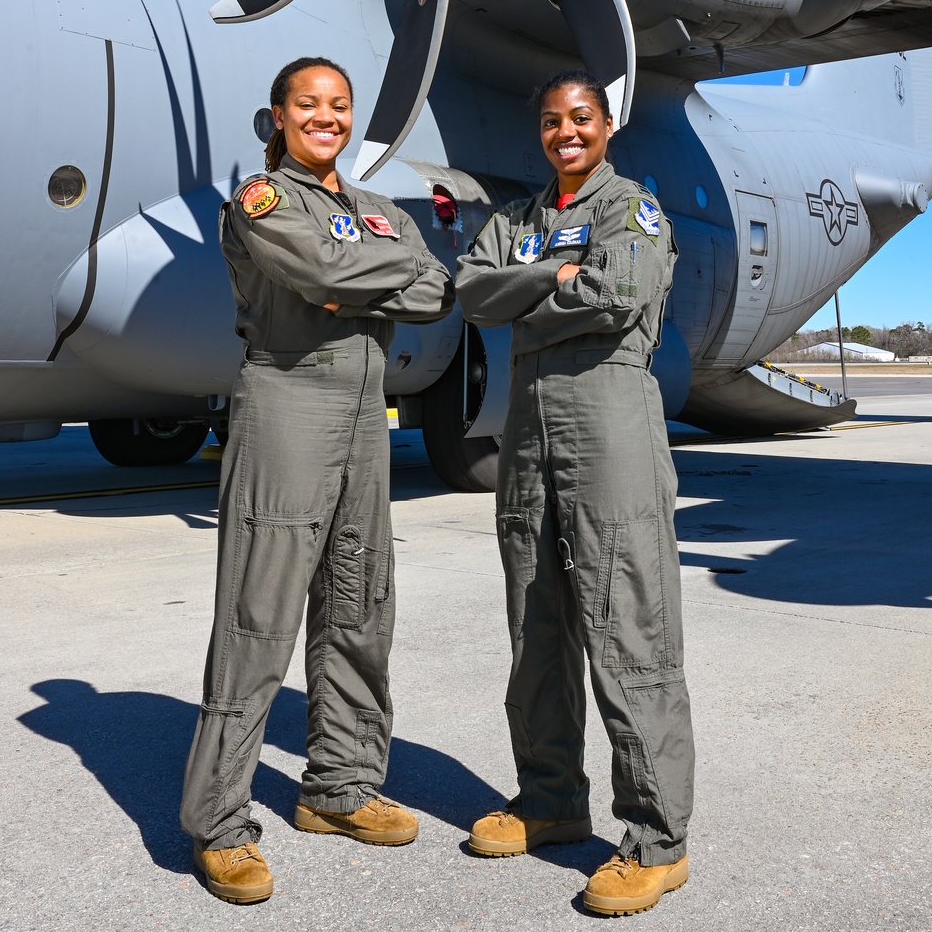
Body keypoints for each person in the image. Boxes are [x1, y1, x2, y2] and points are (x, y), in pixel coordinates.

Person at [181, 56, 454, 904]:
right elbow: (329, 275)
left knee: (359, 600)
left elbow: (439, 285)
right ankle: (219, 823)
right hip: (287, 403)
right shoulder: (262, 203)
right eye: (309, 105)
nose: (326, 117)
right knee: (260, 614)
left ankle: (337, 785)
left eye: (338, 105)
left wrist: (367, 281)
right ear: (278, 117)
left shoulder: (376, 210)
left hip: (364, 413)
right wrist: (377, 279)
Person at [455, 69, 694, 918]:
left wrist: (538, 290)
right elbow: (469, 288)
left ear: (606, 126)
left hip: (610, 441)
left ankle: (658, 840)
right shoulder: (519, 219)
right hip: (528, 448)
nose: (566, 132)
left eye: (581, 118)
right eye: (553, 120)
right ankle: (550, 799)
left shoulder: (632, 209)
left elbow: (619, 289)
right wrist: (556, 281)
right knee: (537, 631)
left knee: (629, 636)